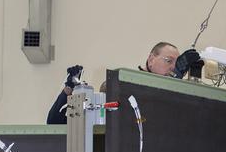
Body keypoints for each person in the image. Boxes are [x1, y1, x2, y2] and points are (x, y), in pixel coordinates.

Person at [46, 42, 201, 124]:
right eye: (168, 61)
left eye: (177, 64)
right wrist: (68, 89)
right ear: (151, 59)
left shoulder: (174, 98)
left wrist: (177, 80)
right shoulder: (120, 87)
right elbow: (54, 122)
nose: (173, 67)